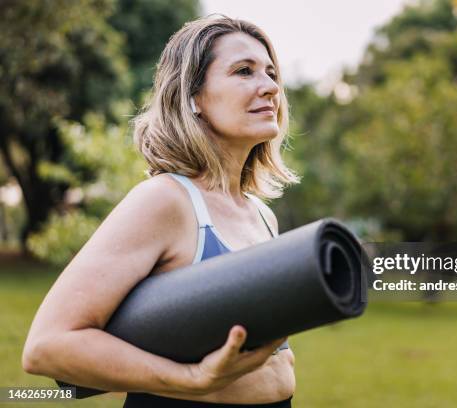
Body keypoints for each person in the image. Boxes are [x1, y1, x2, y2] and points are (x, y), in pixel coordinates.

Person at [22, 15, 300, 408]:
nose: (270, 87)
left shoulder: (261, 214)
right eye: (244, 71)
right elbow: (47, 346)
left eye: (271, 73)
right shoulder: (166, 201)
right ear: (193, 97)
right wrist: (189, 379)